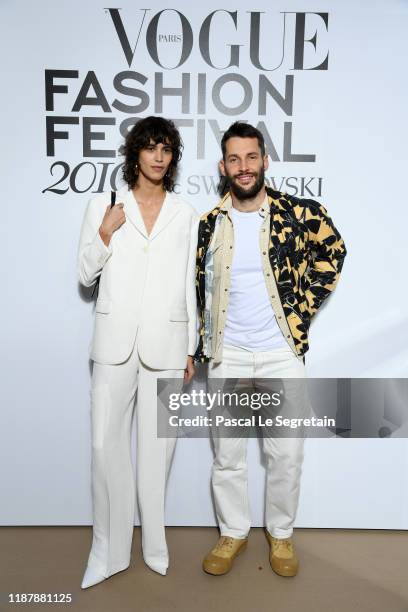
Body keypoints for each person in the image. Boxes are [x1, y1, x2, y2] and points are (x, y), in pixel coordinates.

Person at [195, 121, 347, 577]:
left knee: (287, 453)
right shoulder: (209, 224)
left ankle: (280, 535)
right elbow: (194, 289)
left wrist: (301, 310)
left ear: (264, 161)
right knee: (228, 455)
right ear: (224, 167)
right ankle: (233, 533)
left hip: (281, 353)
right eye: (235, 159)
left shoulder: (298, 214)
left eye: (252, 157)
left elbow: (333, 252)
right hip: (229, 354)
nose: (244, 167)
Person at [78, 116, 198, 588]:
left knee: (158, 452)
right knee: (104, 448)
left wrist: (189, 347)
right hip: (113, 345)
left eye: (166, 148)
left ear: (172, 156)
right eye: (150, 147)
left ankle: (154, 546)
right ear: (135, 154)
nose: (158, 155)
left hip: (167, 344)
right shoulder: (104, 205)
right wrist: (105, 233)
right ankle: (106, 552)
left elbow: (189, 282)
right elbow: (85, 275)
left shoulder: (184, 213)